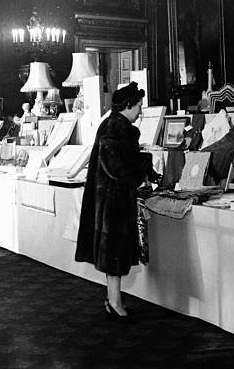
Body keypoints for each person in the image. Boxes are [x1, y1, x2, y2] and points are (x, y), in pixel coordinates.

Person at [75, 82, 160, 320]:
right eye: (139, 106)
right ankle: (114, 301)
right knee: (115, 252)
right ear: (129, 105)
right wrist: (142, 169)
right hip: (114, 201)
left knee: (112, 252)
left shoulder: (110, 124)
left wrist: (142, 163)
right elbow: (117, 167)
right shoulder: (118, 128)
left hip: (108, 199)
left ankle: (114, 299)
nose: (141, 112)